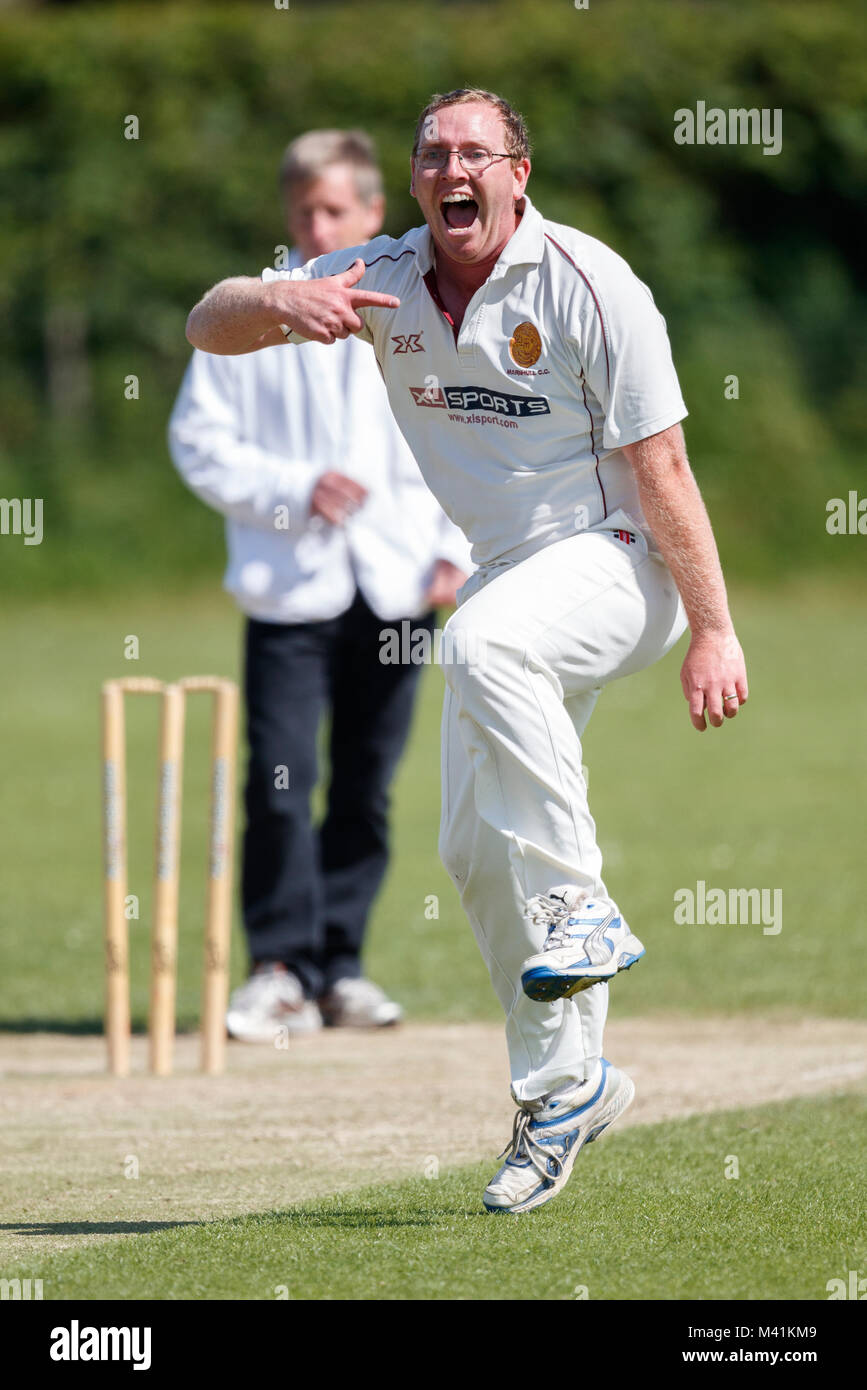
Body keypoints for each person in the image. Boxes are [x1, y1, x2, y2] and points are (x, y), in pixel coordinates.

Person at [184, 89, 748, 1213]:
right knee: (471, 849)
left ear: (518, 173)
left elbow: (669, 467)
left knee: (483, 644)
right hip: (509, 585)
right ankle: (563, 1088)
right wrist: (275, 294)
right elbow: (207, 323)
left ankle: (579, 903)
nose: (453, 168)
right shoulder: (384, 277)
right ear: (413, 183)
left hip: (622, 556)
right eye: (432, 152)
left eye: (475, 152)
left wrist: (717, 626)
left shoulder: (591, 284)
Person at [170, 129, 471, 1041]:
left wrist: (455, 548)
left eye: (336, 209)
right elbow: (199, 442)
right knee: (276, 780)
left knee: (366, 787)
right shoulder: (252, 310)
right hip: (288, 588)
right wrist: (292, 490)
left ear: (373, 213)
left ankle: (340, 966)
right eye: (303, 210)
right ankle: (277, 968)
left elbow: (465, 438)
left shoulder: (419, 300)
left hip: (399, 586)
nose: (317, 224)